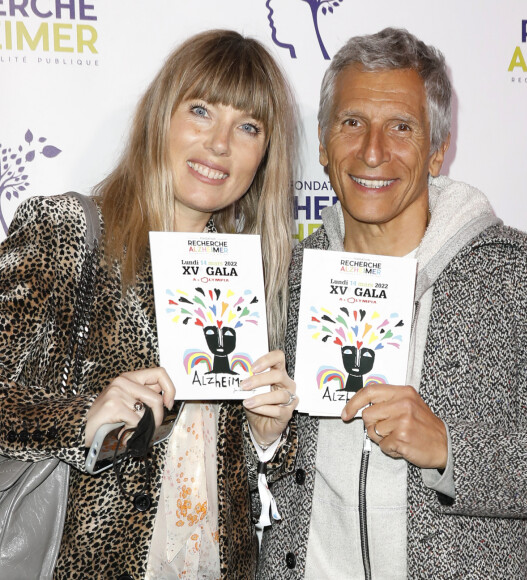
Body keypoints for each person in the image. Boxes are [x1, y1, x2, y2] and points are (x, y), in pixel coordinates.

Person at [255, 27, 527, 579]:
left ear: (436, 151)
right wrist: (264, 439)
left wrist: (450, 449)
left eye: (401, 128)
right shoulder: (286, 274)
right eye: (352, 123)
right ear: (323, 141)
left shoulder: (515, 272)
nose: (373, 151)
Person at [0, 29, 299, 579]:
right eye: (202, 111)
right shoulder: (69, 229)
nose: (220, 144)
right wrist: (84, 419)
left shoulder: (252, 273)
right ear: (161, 115)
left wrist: (268, 437)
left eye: (248, 127)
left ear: (265, 154)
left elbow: (240, 478)